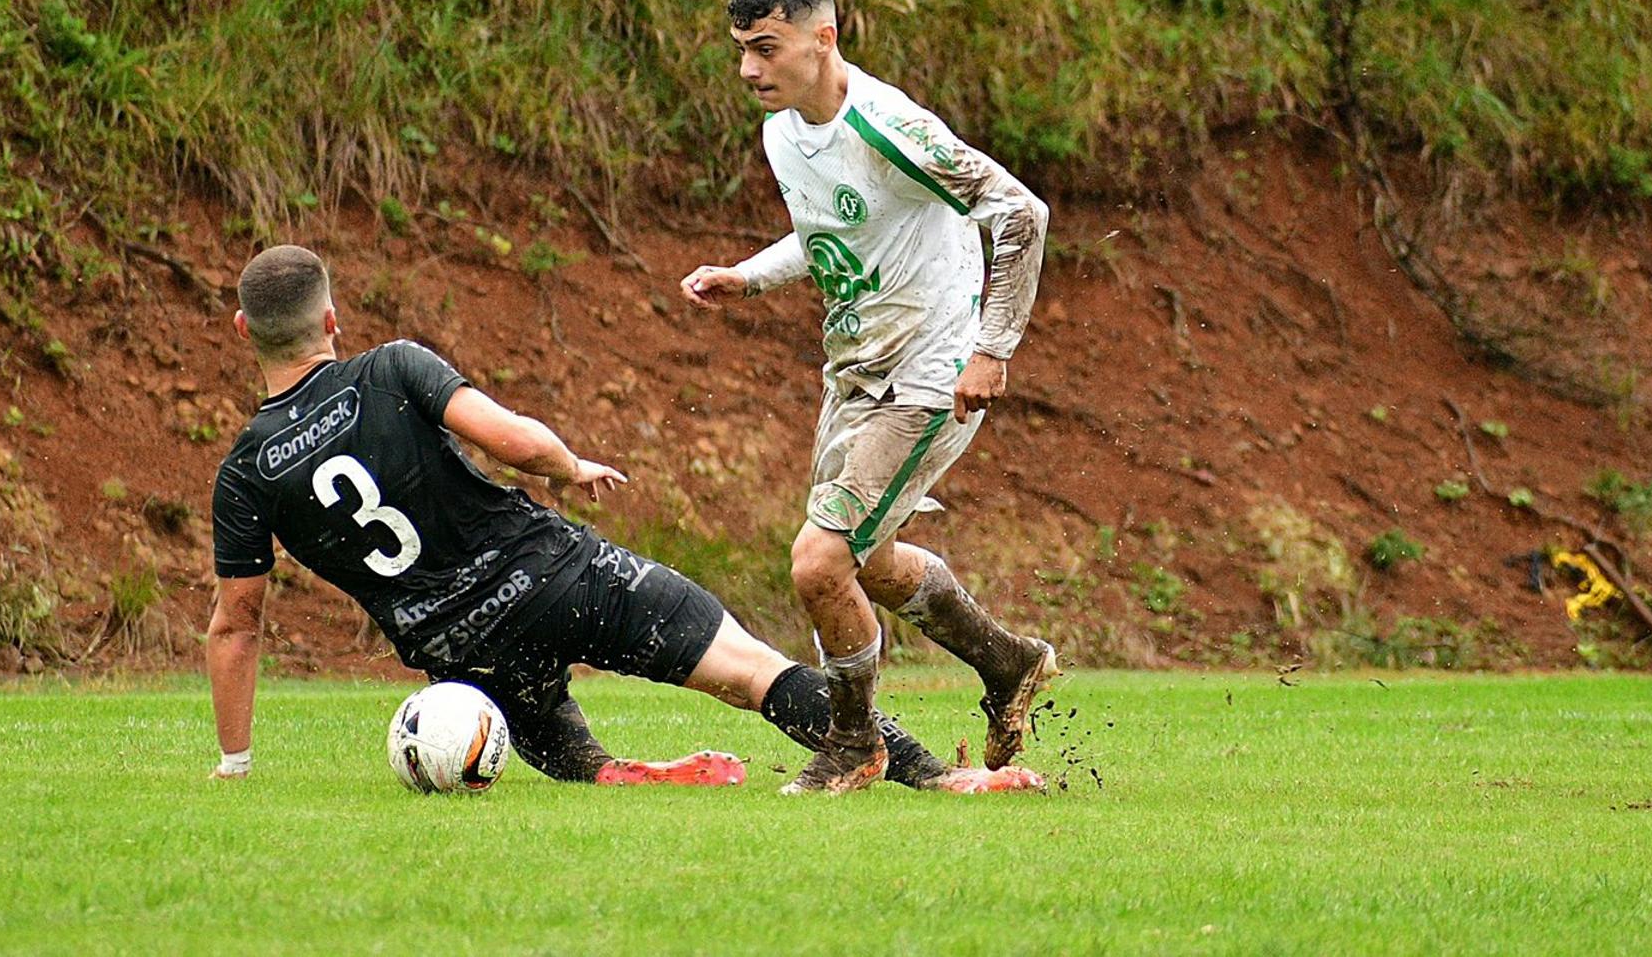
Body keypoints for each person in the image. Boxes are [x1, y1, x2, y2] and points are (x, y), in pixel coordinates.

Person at [206, 244, 1039, 795]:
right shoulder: (389, 366)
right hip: (553, 572)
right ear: (331, 319)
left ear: (243, 331)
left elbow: (237, 623)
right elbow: (507, 439)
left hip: (459, 651)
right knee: (752, 671)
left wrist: (235, 762)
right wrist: (569, 465)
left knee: (563, 748)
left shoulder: (244, 470)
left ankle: (611, 772)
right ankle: (940, 779)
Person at [680, 0, 1060, 795]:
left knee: (819, 563)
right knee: (871, 561)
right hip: (853, 371)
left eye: (765, 48)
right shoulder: (783, 129)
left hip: (930, 374)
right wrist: (748, 274)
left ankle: (855, 742)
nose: (748, 68)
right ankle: (1009, 661)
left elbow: (1020, 213)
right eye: (741, 49)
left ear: (825, 39)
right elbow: (828, 234)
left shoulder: (891, 126)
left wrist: (991, 349)